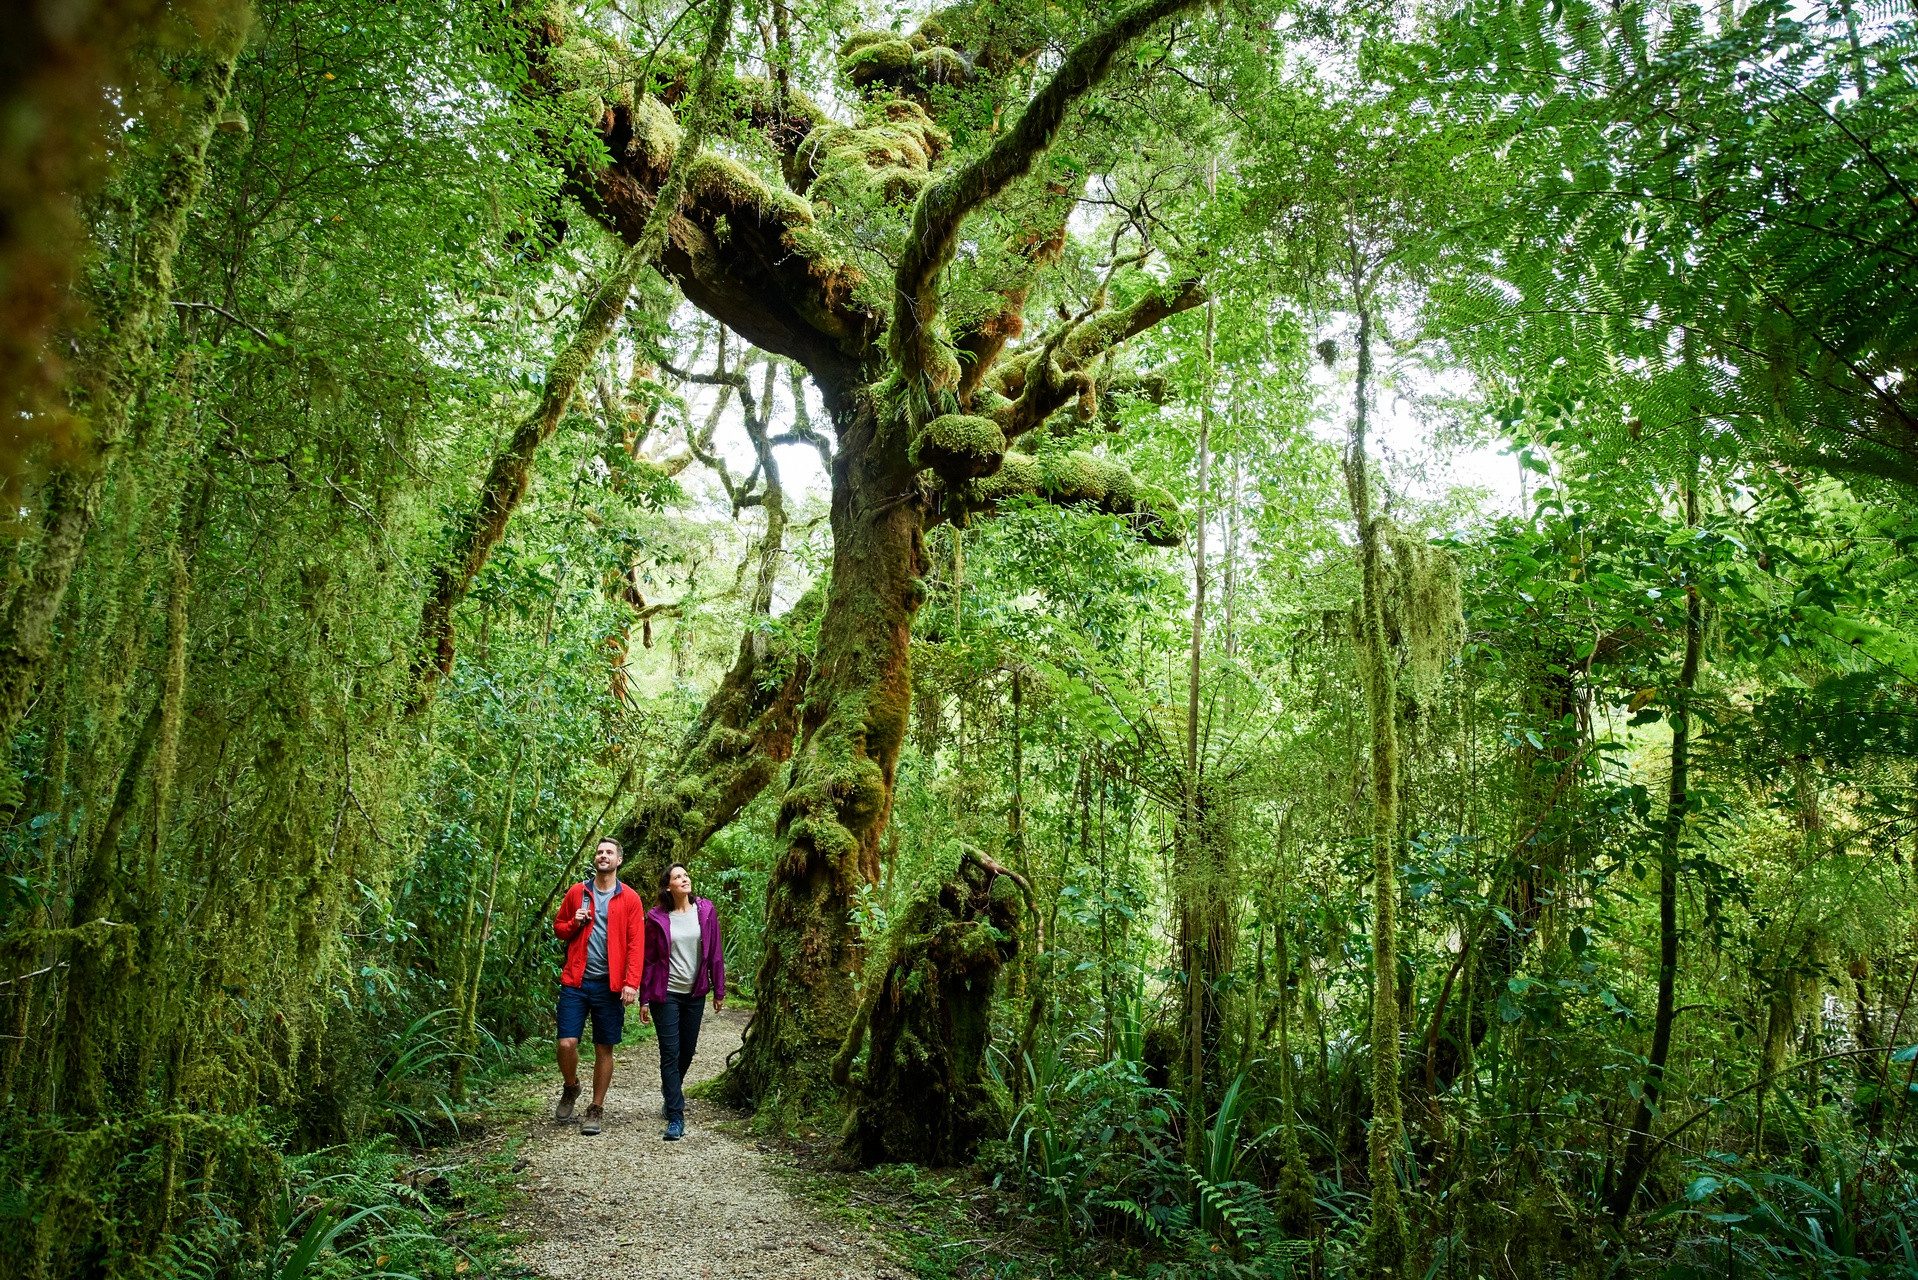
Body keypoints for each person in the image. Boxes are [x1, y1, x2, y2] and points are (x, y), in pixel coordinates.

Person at [552, 837, 644, 1135]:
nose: (603, 856)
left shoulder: (629, 898)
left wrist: (631, 982)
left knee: (604, 1047)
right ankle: (571, 1086)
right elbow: (559, 929)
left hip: (610, 986)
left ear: (619, 860)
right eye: (599, 852)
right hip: (576, 982)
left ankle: (596, 1107)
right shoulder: (578, 892)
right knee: (566, 1042)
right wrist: (574, 923)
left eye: (609, 853)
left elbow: (635, 944)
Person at [638, 862, 726, 1141]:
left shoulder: (706, 911)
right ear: (668, 886)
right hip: (666, 995)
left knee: (687, 1050)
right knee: (670, 1053)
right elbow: (649, 960)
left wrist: (719, 989)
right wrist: (644, 998)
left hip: (695, 992)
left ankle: (670, 1091)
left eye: (686, 875)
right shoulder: (656, 918)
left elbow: (715, 953)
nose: (684, 879)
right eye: (678, 877)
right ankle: (676, 1115)